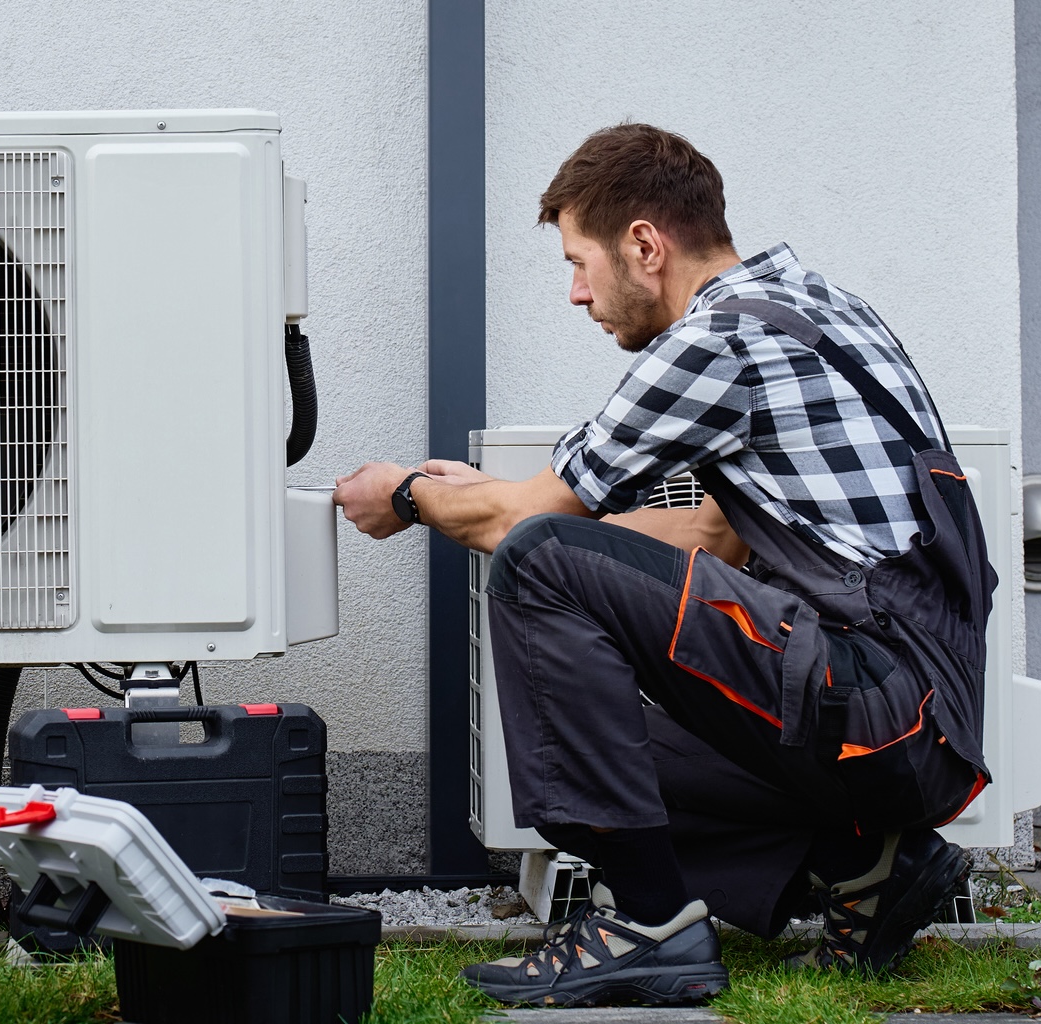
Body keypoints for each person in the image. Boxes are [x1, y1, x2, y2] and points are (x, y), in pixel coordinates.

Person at [334, 123, 998, 1007]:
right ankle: (868, 864)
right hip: (911, 719)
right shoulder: (812, 307)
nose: (576, 294)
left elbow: (529, 528)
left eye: (580, 262)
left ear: (644, 244)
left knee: (537, 563)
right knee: (596, 727)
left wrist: (409, 494)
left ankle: (645, 924)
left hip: (878, 706)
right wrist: (504, 501)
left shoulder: (716, 341)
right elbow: (710, 540)